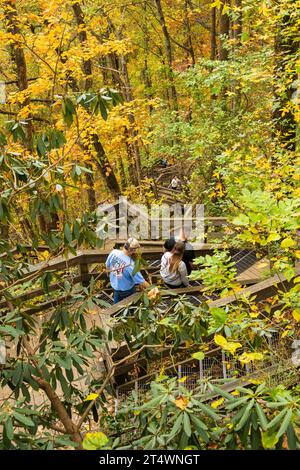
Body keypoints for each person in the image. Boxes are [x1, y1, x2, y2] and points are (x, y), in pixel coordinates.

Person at [106, 237, 149, 303]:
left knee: (116, 307)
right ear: (132, 250)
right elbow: (141, 281)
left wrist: (109, 275)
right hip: (127, 290)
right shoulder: (131, 265)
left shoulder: (114, 252)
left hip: (115, 287)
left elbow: (107, 266)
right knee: (130, 305)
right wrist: (153, 288)